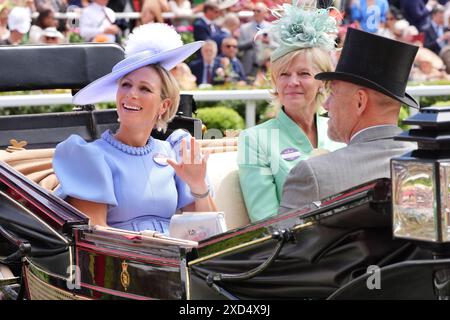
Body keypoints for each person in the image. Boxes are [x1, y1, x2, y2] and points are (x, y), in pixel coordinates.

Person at [53, 23, 217, 234]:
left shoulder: (174, 152)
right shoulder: (90, 156)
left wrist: (198, 186)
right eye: (126, 85)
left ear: (164, 105)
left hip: (178, 259)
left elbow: (210, 234)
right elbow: (94, 236)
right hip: (123, 263)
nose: (131, 94)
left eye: (145, 88)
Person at [279, 28, 419, 214]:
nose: (326, 104)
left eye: (333, 94)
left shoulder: (314, 174)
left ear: (360, 101)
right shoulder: (430, 165)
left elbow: (280, 242)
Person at [237, 2, 345, 222]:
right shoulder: (254, 140)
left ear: (322, 83)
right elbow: (264, 220)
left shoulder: (341, 132)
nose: (292, 82)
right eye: (284, 74)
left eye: (304, 73)